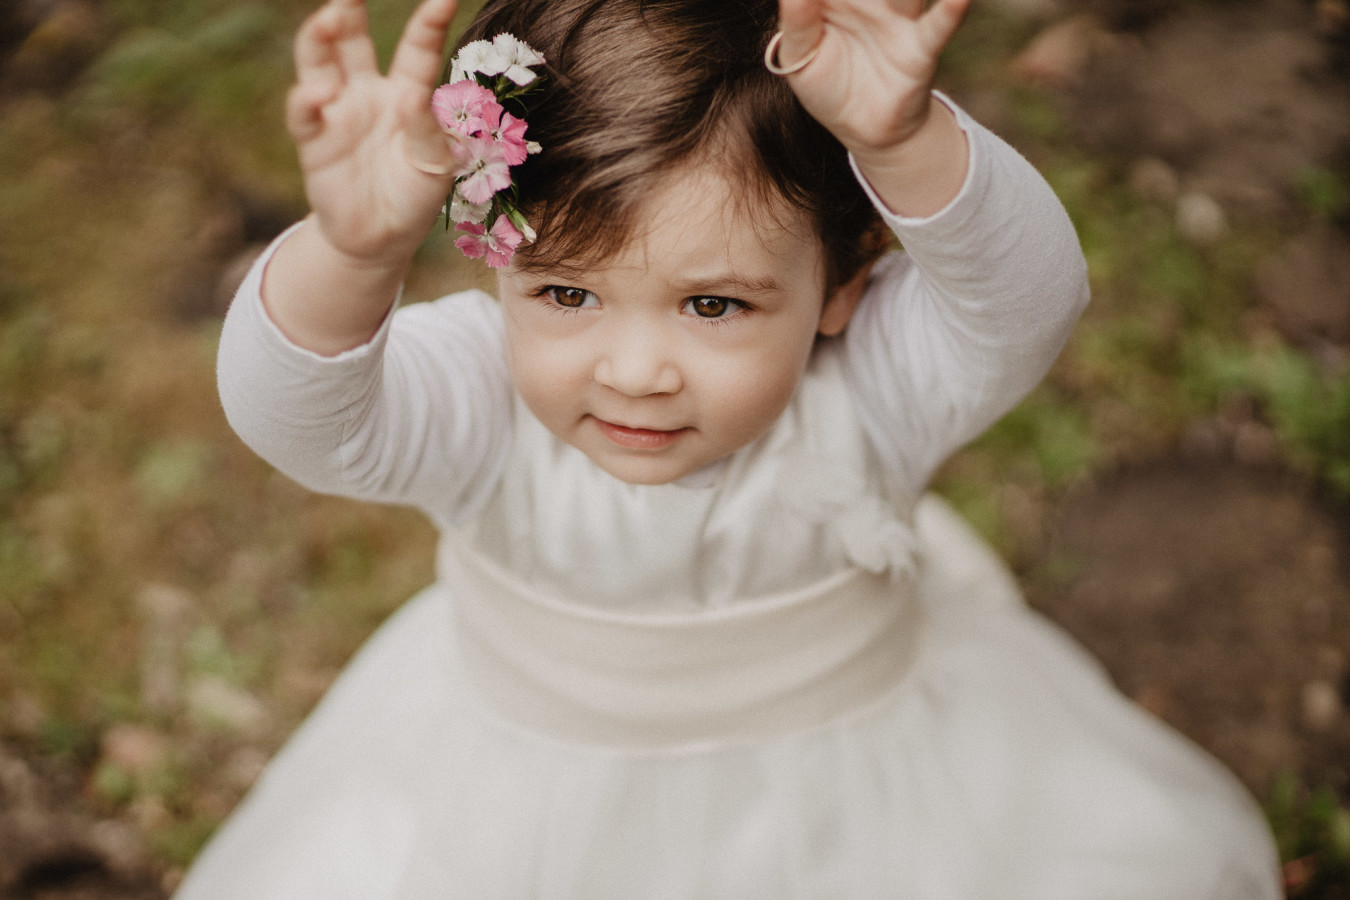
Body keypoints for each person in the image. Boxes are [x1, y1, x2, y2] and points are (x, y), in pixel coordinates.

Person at [176, 0, 1282, 895]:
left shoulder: (874, 392)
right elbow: (302, 419)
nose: (634, 369)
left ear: (843, 287)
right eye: (566, 291)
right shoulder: (477, 398)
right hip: (521, 810)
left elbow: (1027, 304)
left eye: (712, 306)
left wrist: (906, 139)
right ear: (494, 267)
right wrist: (354, 252)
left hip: (862, 804)